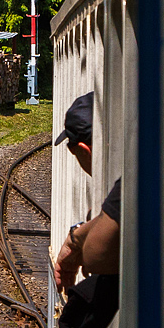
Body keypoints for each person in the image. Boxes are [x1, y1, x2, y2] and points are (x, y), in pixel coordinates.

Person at [52, 91, 121, 291]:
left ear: (83, 150)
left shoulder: (134, 179)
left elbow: (96, 257)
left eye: (71, 149)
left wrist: (76, 238)